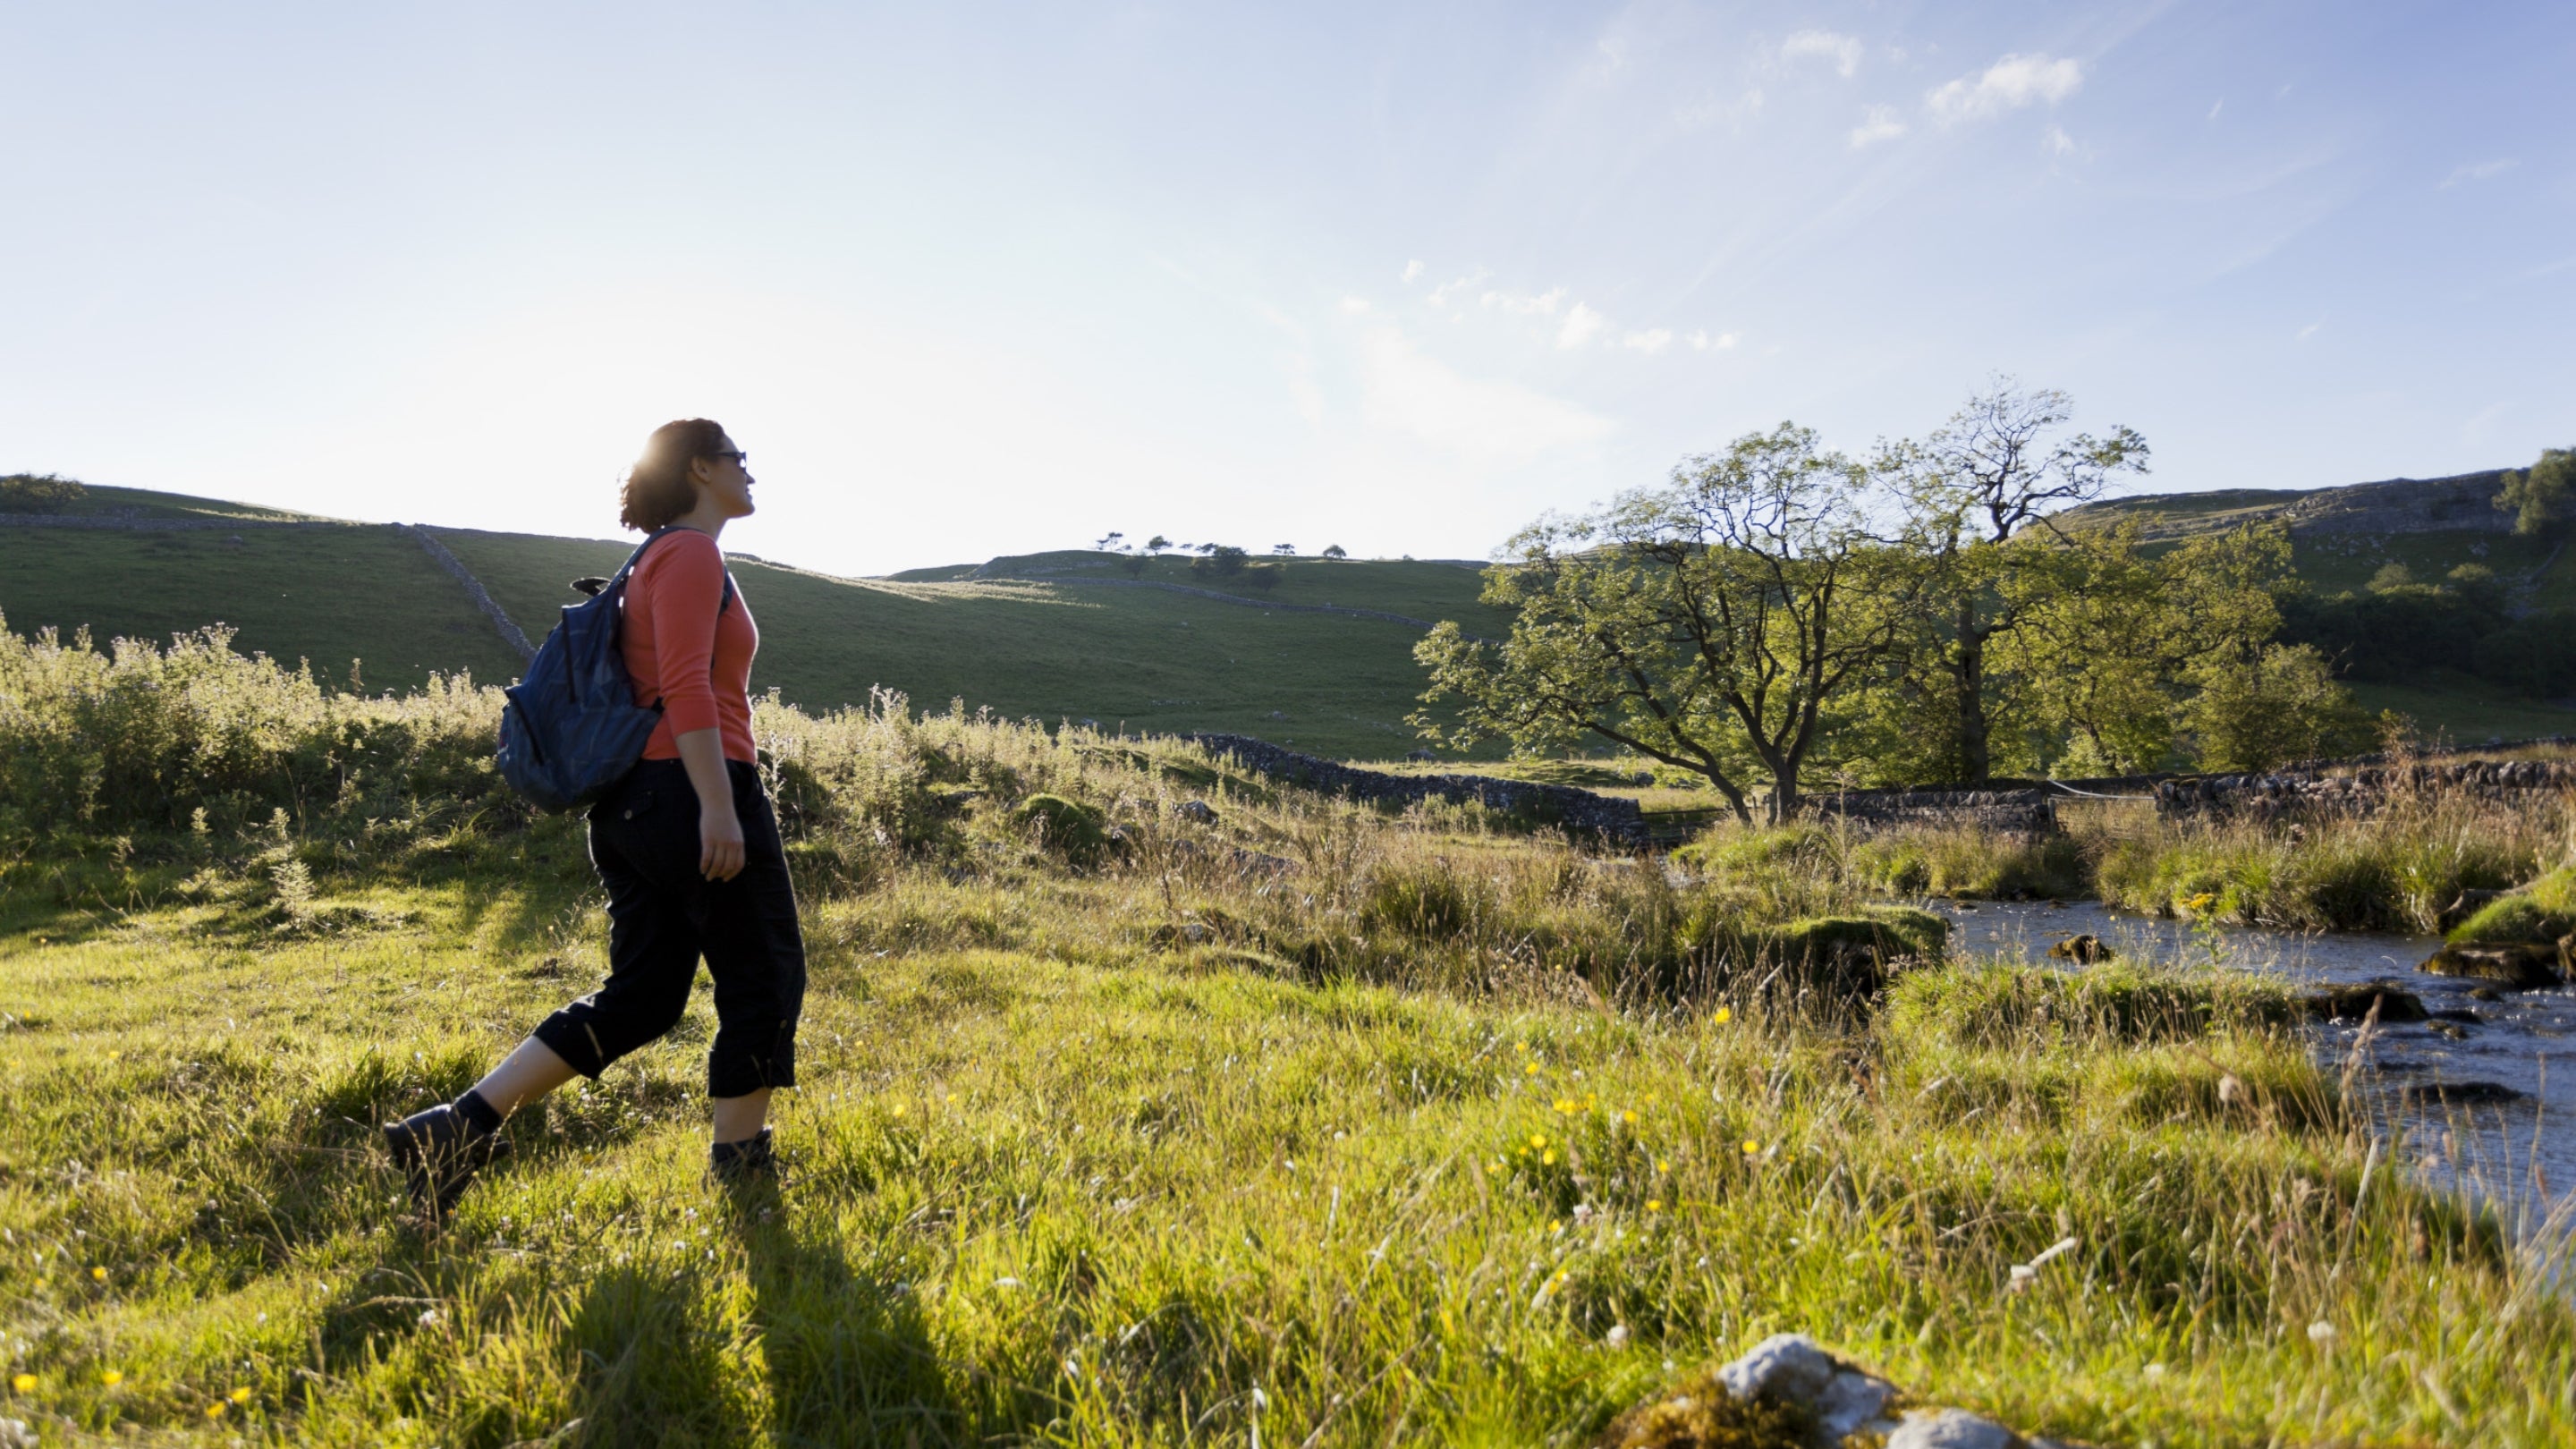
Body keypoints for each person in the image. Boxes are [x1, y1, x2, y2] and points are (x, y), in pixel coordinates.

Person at [384, 419, 807, 1216]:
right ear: (699, 468)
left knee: (645, 996)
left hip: (631, 803)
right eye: (738, 460)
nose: (750, 474)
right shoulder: (688, 553)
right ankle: (744, 1183)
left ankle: (457, 1126)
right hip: (687, 789)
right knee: (765, 975)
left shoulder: (655, 559)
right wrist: (720, 807)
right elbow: (686, 687)